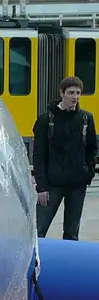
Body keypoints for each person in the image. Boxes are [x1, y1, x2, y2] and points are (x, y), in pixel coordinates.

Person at [33, 76, 97, 240]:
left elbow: (92, 149)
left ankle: (68, 264)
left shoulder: (86, 119)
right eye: (71, 93)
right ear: (62, 93)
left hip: (77, 185)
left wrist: (87, 173)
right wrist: (41, 187)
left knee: (71, 234)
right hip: (51, 185)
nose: (75, 97)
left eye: (78, 93)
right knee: (38, 230)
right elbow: (39, 155)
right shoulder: (46, 120)